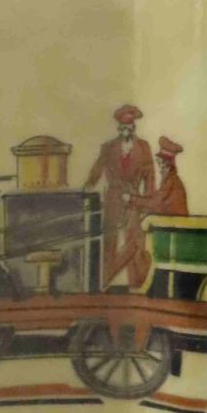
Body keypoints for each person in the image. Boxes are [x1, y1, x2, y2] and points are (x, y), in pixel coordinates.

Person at [84, 105, 155, 290]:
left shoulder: (144, 147)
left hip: (133, 200)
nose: (126, 130)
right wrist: (87, 187)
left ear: (134, 127)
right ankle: (104, 282)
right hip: (113, 199)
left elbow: (149, 177)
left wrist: (147, 203)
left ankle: (136, 284)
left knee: (135, 241)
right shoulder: (108, 147)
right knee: (110, 242)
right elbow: (97, 170)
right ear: (118, 128)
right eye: (123, 127)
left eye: (129, 127)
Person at [133, 137, 189, 218]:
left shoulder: (171, 180)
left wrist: (132, 199)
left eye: (159, 160)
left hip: (175, 222)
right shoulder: (170, 178)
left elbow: (155, 203)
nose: (157, 161)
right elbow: (160, 204)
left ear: (165, 163)